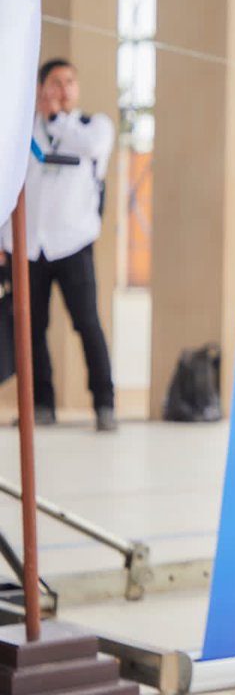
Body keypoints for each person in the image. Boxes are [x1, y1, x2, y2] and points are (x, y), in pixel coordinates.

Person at [2, 59, 116, 432]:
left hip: (73, 244)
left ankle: (104, 403)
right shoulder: (21, 130)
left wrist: (56, 119)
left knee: (87, 323)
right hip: (29, 248)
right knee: (31, 328)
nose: (63, 89)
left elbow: (92, 146)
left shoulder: (92, 127)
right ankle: (41, 405)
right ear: (39, 88)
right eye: (55, 82)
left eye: (69, 82)